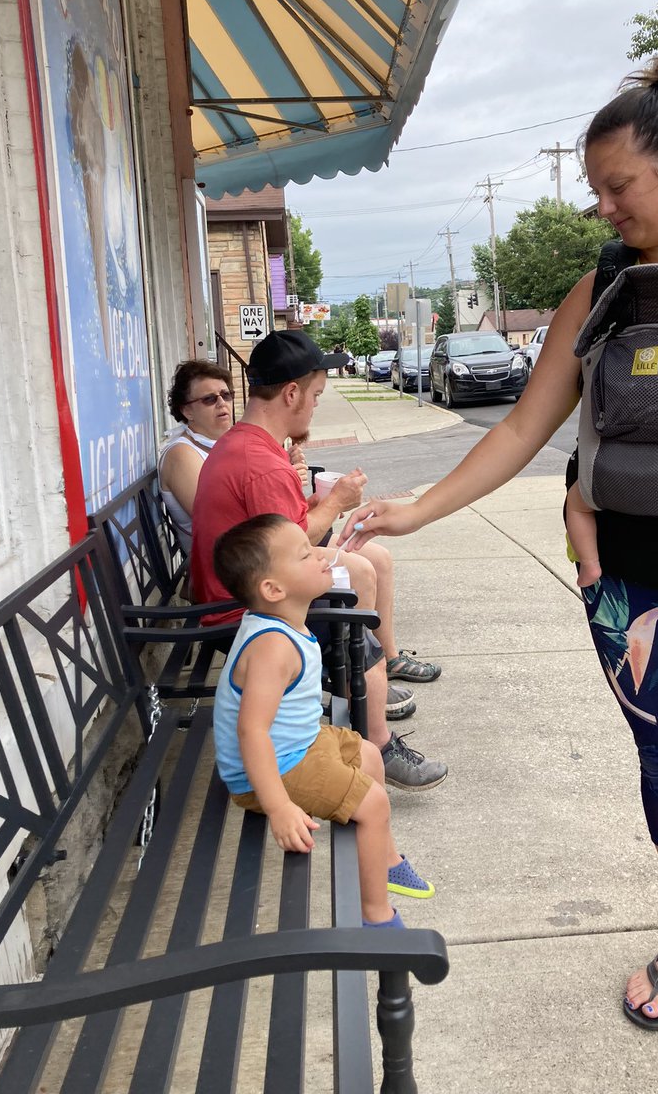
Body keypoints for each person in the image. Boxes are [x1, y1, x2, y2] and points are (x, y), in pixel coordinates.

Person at [340, 51, 658, 1080]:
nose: (605, 207)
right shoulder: (601, 289)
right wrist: (418, 509)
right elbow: (521, 428)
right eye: (597, 191)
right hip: (624, 582)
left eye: (618, 186)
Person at [190, 329, 448, 792]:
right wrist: (337, 502)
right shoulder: (258, 461)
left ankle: (371, 681)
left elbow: (282, 532)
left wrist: (314, 502)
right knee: (357, 590)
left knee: (369, 561)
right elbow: (295, 543)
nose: (314, 407)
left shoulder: (251, 445)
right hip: (244, 610)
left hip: (249, 588)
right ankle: (377, 737)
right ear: (291, 393)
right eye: (315, 396)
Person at [212, 514, 434, 927]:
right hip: (271, 770)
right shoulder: (272, 647)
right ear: (273, 589)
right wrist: (279, 807)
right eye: (304, 555)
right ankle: (375, 918)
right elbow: (251, 730)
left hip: (297, 744)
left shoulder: (284, 623)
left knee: (369, 754)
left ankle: (384, 859)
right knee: (373, 804)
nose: (319, 556)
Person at [158, 360, 235, 556]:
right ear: (187, 411)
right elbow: (219, 521)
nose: (222, 403)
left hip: (247, 552)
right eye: (209, 399)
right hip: (223, 562)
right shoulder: (180, 455)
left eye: (226, 395)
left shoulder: (223, 441)